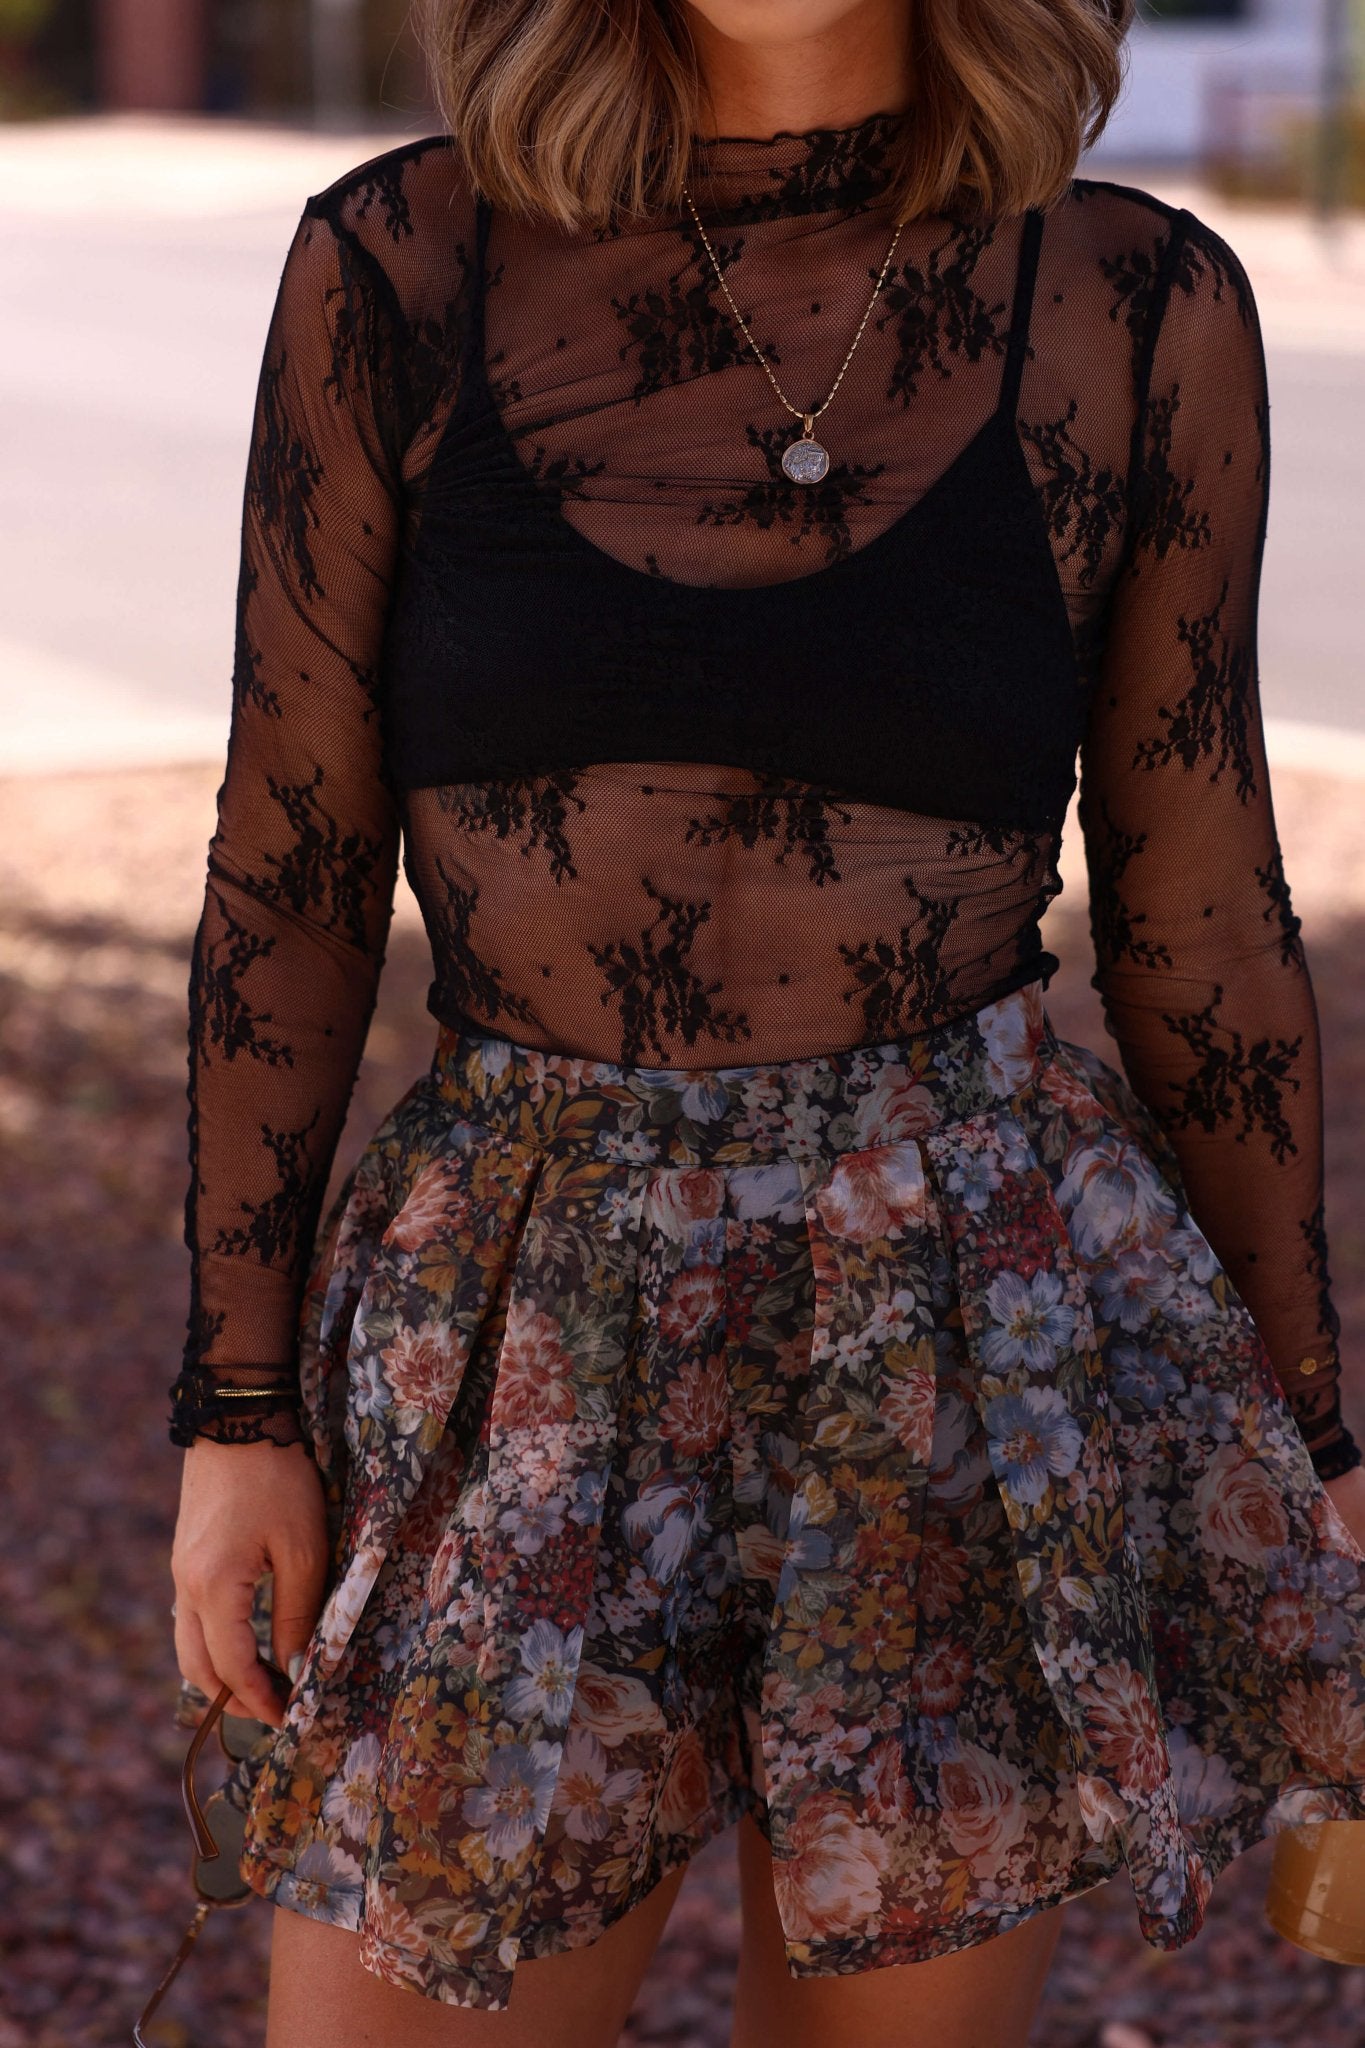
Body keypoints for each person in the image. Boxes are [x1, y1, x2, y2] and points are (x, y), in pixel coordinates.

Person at [166, 2, 1365, 2044]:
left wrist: (1311, 1429)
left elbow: (1199, 915)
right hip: (511, 1328)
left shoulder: (1132, 300)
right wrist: (238, 1408)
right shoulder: (395, 266)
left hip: (970, 1330)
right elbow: (286, 868)